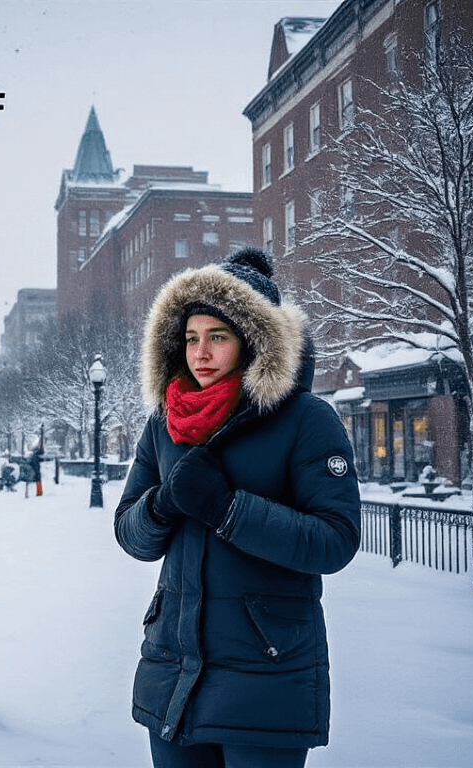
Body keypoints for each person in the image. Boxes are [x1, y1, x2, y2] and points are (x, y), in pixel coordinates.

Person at [113, 247, 361, 768]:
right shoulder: (165, 423)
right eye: (190, 338)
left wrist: (228, 510)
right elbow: (130, 533)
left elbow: (335, 539)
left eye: (218, 337)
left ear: (253, 341)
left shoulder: (306, 420)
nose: (200, 353)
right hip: (174, 673)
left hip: (267, 675)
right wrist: (162, 504)